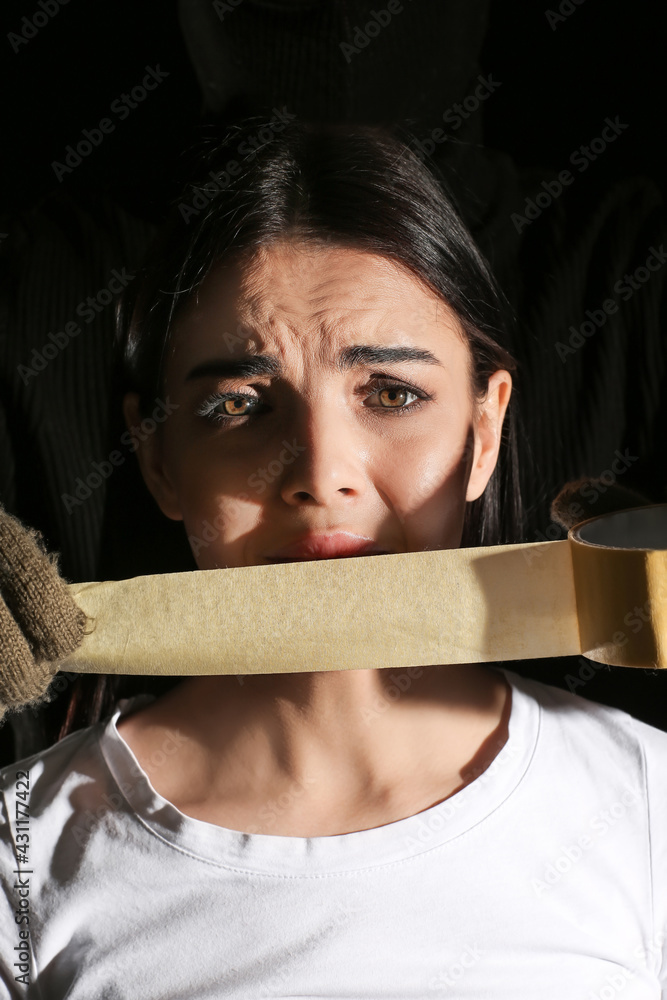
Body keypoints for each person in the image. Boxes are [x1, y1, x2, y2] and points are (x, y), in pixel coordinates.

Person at [0, 119, 665, 998]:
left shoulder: (645, 803)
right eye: (238, 405)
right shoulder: (21, 848)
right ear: (158, 459)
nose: (320, 475)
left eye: (391, 394)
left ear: (483, 428)